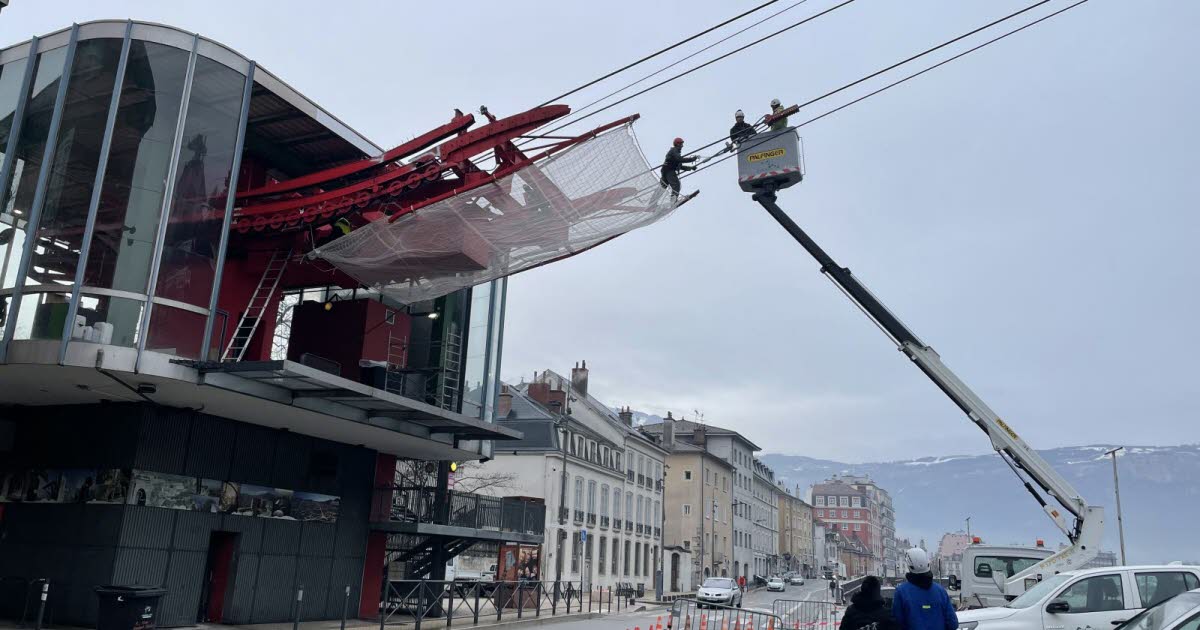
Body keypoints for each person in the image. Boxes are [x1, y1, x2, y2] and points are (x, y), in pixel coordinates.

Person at [893, 548, 958, 630]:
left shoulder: (901, 592)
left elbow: (897, 623)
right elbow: (953, 623)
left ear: (909, 566)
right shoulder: (940, 591)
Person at [660, 137, 697, 201]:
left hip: (665, 171)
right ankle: (673, 201)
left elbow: (680, 166)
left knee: (662, 187)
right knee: (676, 185)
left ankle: (652, 203)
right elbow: (680, 159)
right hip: (669, 171)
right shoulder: (674, 150)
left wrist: (691, 168)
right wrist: (692, 159)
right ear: (677, 144)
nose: (682, 146)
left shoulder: (676, 153)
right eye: (681, 144)